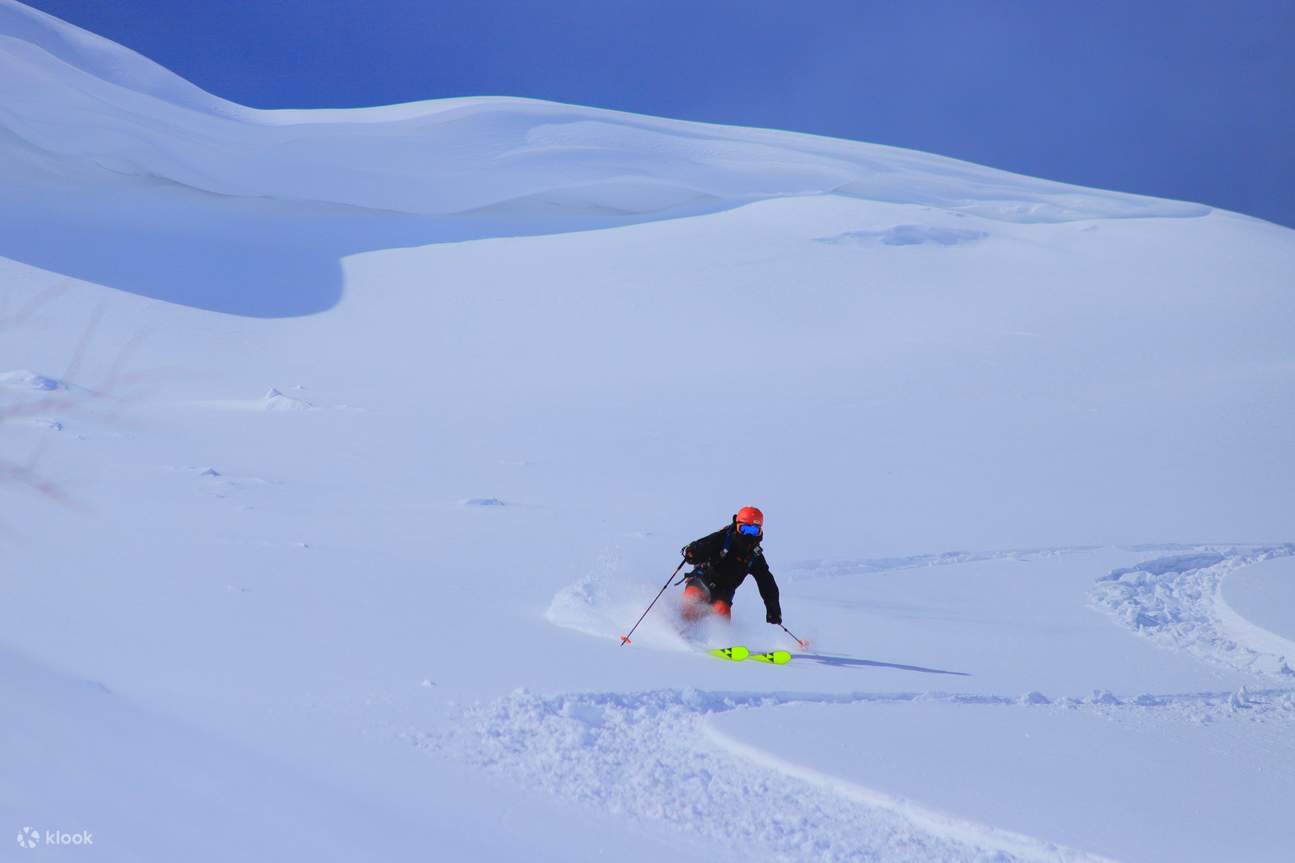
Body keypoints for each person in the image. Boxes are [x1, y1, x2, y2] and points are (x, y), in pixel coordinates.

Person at [680, 506, 782, 625]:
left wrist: (773, 609)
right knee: (692, 598)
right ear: (737, 526)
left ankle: (717, 641)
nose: (748, 535)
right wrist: (692, 553)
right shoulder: (723, 538)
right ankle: (679, 631)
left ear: (759, 531)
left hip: (723, 592)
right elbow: (702, 546)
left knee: (722, 613)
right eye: (744, 529)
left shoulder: (754, 556)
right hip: (703, 579)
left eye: (753, 531)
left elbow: (766, 582)